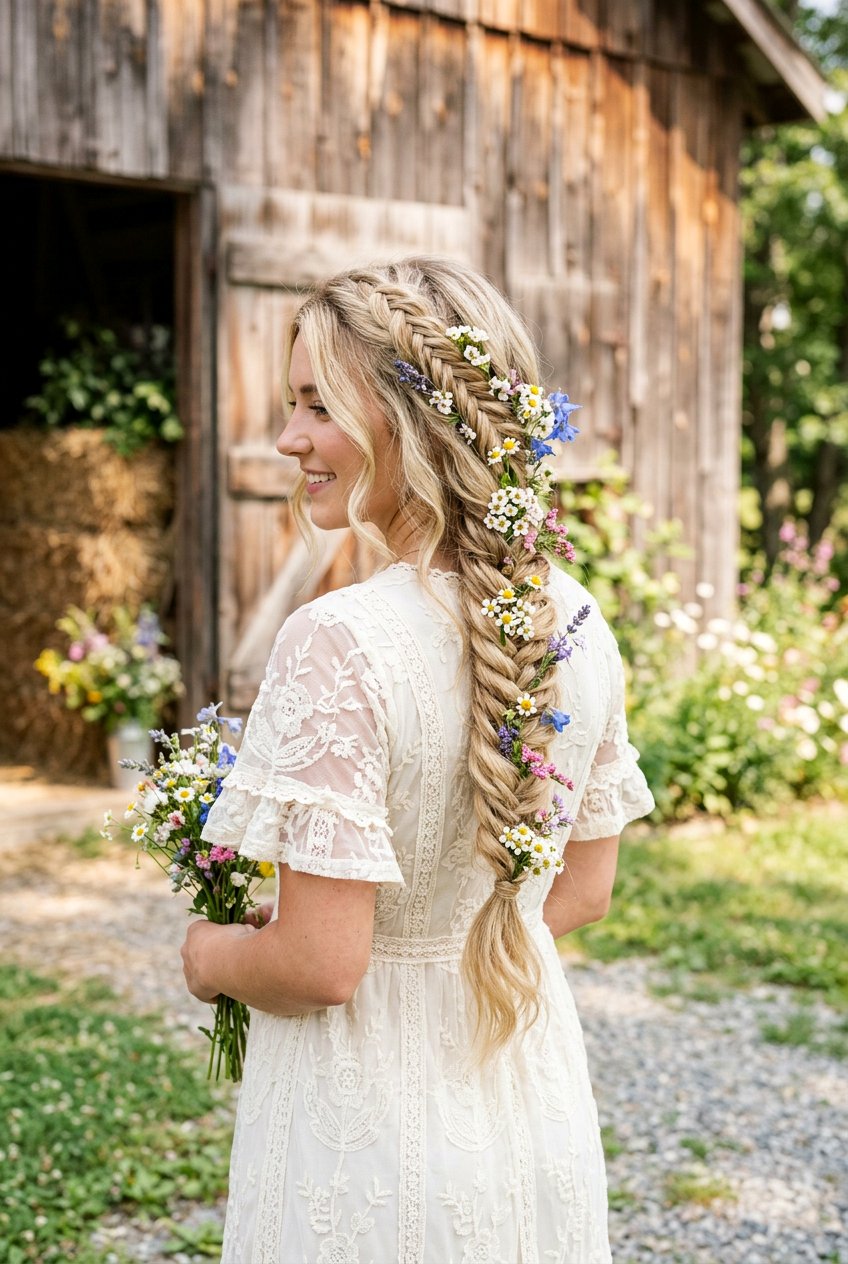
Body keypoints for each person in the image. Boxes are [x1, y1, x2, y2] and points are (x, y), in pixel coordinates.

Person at [180, 255, 655, 1264]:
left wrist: (213, 957)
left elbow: (319, 965)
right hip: (522, 1095)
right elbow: (581, 889)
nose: (286, 437)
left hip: (367, 1130)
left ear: (408, 419)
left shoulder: (339, 640)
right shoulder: (573, 622)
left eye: (317, 403)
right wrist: (445, 939)